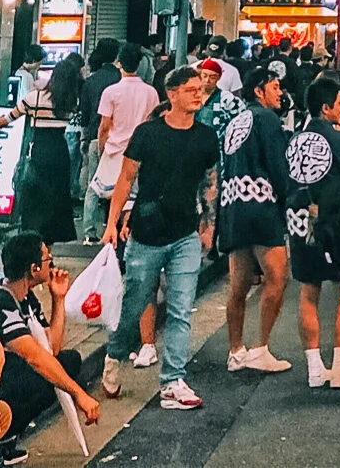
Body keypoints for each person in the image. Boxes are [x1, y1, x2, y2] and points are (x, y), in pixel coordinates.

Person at [100, 66, 219, 411]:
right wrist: (112, 223)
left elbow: (210, 182)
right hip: (147, 233)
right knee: (135, 303)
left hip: (185, 233)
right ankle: (115, 353)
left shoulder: (206, 137)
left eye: (201, 89)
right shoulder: (147, 134)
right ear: (172, 94)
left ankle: (173, 381)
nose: (198, 94)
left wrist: (208, 225)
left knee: (181, 308)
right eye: (190, 89)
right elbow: (125, 179)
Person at [287, 76, 340, 388]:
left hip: (299, 220)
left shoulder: (293, 139)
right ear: (325, 107)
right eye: (339, 103)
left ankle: (314, 367)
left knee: (308, 291)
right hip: (336, 222)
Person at [0, 231, 99, 465]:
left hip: (9, 380)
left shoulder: (27, 299)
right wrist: (79, 394)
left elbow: (51, 349)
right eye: (47, 259)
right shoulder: (3, 302)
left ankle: (7, 436)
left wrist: (59, 299)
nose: (51, 260)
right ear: (34, 268)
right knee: (47, 374)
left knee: (67, 361)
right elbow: (34, 357)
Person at [220, 65, 290, 373]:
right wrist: (290, 200)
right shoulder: (266, 119)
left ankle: (236, 350)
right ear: (259, 91)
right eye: (274, 86)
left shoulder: (236, 120)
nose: (280, 92)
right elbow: (278, 166)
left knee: (239, 284)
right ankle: (261, 347)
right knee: (277, 277)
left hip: (233, 204)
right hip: (262, 204)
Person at [0, 59, 82, 243]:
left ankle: (33, 240)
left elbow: (9, 117)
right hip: (60, 152)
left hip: (40, 151)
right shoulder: (70, 100)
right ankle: (49, 246)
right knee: (57, 198)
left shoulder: (35, 97)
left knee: (35, 199)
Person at [90, 43, 159, 233]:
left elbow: (104, 127)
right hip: (141, 153)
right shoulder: (151, 92)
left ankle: (106, 232)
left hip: (114, 150)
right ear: (139, 64)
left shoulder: (111, 92)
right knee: (134, 198)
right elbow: (152, 122)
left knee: (105, 195)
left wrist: (102, 149)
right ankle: (127, 233)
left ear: (119, 63)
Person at [78, 38, 120, 243]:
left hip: (95, 136)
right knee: (120, 184)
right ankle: (111, 224)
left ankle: (89, 231)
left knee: (93, 186)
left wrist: (84, 138)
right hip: (120, 140)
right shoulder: (121, 78)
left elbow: (84, 115)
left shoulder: (91, 81)